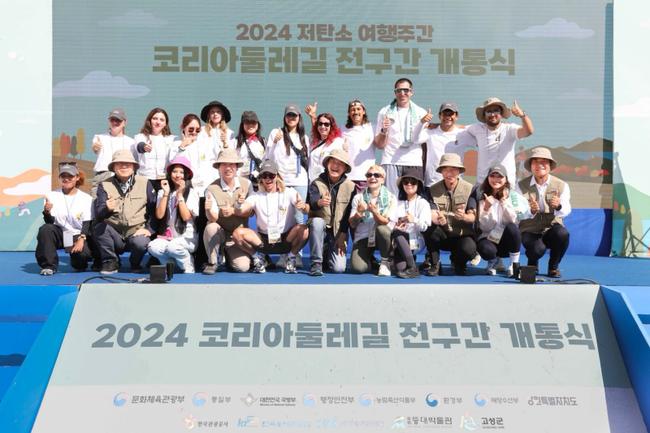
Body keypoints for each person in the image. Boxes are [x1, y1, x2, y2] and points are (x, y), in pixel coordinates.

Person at [232, 160, 309, 274]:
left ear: (277, 176)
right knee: (237, 234)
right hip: (263, 240)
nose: (268, 179)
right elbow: (241, 210)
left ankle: (291, 257)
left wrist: (303, 207)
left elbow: (306, 209)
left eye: (271, 175)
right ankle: (257, 258)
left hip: (286, 239)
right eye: (264, 175)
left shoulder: (289, 192)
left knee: (304, 230)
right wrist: (239, 203)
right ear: (261, 178)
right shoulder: (256, 195)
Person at [94, 150, 156, 274]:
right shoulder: (104, 185)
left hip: (136, 231)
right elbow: (99, 214)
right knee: (99, 227)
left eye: (128, 164)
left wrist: (148, 229)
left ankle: (135, 263)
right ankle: (111, 261)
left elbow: (153, 210)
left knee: (141, 242)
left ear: (133, 167)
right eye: (119, 164)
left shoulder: (145, 183)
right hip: (114, 232)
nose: (124, 166)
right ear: (113, 167)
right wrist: (107, 209)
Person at [518, 147, 571, 278]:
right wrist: (530, 211)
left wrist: (558, 206)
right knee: (537, 250)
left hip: (551, 228)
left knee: (562, 234)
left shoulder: (562, 185)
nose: (539, 165)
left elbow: (566, 209)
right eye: (535, 161)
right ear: (530, 166)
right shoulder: (519, 185)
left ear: (550, 165)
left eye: (544, 162)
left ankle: (553, 267)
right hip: (530, 229)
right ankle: (532, 264)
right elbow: (517, 212)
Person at [423, 153, 477, 276]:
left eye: (453, 169)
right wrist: (438, 219)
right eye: (446, 170)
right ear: (441, 172)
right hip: (443, 234)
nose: (449, 173)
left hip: (462, 235)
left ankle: (458, 262)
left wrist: (464, 217)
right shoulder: (432, 190)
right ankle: (435, 263)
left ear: (459, 171)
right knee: (429, 228)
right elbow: (432, 212)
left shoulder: (470, 189)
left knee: (469, 249)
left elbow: (473, 216)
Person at [36, 162, 94, 275]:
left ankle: (78, 261)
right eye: (63, 176)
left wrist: (82, 239)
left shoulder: (86, 198)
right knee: (46, 229)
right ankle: (49, 266)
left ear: (77, 178)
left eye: (70, 176)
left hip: (77, 235)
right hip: (60, 234)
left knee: (81, 259)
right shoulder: (51, 196)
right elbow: (50, 222)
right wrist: (47, 212)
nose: (66, 179)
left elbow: (87, 222)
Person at [460, 97, 534, 184]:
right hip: (483, 185)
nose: (492, 114)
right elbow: (458, 128)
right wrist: (445, 123)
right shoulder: (477, 128)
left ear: (501, 113)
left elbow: (528, 131)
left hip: (506, 184)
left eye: (496, 111)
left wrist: (522, 115)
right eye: (489, 111)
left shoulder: (509, 129)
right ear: (484, 115)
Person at [373, 77, 427, 196]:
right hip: (390, 161)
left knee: (413, 199)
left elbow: (422, 140)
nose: (402, 93)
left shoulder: (421, 113)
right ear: (395, 92)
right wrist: (384, 131)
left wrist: (422, 124)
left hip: (413, 161)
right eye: (399, 90)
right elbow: (379, 145)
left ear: (411, 92)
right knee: (390, 198)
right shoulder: (384, 112)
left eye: (406, 90)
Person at [203, 148, 253, 274]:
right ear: (219, 168)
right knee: (211, 227)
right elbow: (213, 218)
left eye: (231, 164)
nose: (228, 168)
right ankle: (212, 261)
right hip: (219, 233)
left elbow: (251, 211)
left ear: (236, 167)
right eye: (224, 164)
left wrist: (235, 210)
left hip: (238, 236)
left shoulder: (247, 184)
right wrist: (208, 210)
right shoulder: (211, 188)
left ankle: (228, 256)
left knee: (242, 267)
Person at [475, 164, 530, 277]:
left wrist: (504, 202)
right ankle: (493, 261)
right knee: (486, 249)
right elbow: (484, 227)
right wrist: (486, 208)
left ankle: (514, 264)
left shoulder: (512, 196)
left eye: (500, 176)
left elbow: (513, 221)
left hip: (506, 240)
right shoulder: (482, 196)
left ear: (505, 179)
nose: (496, 179)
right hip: (489, 237)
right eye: (492, 176)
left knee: (512, 228)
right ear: (488, 178)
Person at [307, 148, 356, 276]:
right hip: (321, 229)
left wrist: (343, 233)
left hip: (338, 232)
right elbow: (311, 203)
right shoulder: (316, 183)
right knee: (317, 222)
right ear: (327, 164)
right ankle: (316, 263)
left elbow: (349, 213)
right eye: (333, 162)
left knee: (338, 268)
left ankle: (326, 252)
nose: (335, 166)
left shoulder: (351, 186)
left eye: (340, 164)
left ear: (345, 168)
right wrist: (319, 202)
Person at [147, 156, 199, 273]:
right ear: (170, 173)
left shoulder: (192, 192)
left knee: (173, 247)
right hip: (167, 236)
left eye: (181, 172)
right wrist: (166, 193)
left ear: (186, 175)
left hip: (186, 237)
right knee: (153, 247)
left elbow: (186, 217)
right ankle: (170, 264)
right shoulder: (162, 191)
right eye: (175, 171)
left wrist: (180, 195)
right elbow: (159, 215)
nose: (178, 175)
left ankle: (188, 263)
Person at [349, 165, 397, 276]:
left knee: (382, 229)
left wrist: (375, 212)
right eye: (369, 175)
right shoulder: (358, 198)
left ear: (383, 179)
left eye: (376, 175)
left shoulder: (391, 198)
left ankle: (385, 262)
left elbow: (385, 222)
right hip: (364, 237)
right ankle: (371, 261)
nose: (372, 177)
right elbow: (352, 224)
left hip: (383, 238)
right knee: (357, 268)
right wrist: (359, 213)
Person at [265, 104, 310, 220]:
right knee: (279, 216)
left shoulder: (304, 138)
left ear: (299, 117)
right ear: (284, 117)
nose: (291, 118)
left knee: (298, 217)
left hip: (299, 182)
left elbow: (308, 161)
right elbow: (268, 158)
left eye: (294, 115)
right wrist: (275, 142)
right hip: (281, 181)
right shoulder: (276, 132)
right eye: (289, 115)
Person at [413, 102, 469, 187]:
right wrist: (422, 122)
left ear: (456, 116)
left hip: (456, 184)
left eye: (451, 114)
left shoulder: (463, 133)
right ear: (440, 116)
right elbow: (415, 140)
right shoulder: (430, 131)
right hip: (433, 183)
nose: (448, 117)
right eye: (445, 114)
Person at [390, 167, 431, 278]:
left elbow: (425, 227)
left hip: (416, 240)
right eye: (405, 182)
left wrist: (414, 220)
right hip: (399, 240)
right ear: (402, 185)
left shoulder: (423, 203)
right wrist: (396, 225)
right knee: (400, 268)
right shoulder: (397, 202)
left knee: (398, 234)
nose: (409, 184)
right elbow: (390, 221)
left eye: (413, 182)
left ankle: (413, 268)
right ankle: (408, 261)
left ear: (418, 185)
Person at [90, 108, 136, 198]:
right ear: (109, 121)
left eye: (118, 120)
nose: (115, 122)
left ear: (124, 122)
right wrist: (95, 147)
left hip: (123, 176)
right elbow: (95, 147)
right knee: (97, 203)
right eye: (112, 120)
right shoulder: (99, 137)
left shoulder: (131, 142)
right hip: (103, 175)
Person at [134, 107, 176, 190]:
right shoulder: (140, 137)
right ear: (149, 120)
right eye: (155, 118)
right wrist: (144, 147)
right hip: (144, 179)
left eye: (162, 120)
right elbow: (139, 146)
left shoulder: (171, 139)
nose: (158, 122)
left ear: (165, 123)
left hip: (163, 179)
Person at [341, 99, 376, 193]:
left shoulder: (372, 127)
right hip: (347, 177)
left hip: (366, 177)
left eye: (358, 109)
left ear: (363, 111)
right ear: (349, 113)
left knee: (364, 202)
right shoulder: (342, 129)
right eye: (352, 110)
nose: (355, 112)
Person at [308, 113, 346, 182]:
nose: (323, 126)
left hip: (328, 182)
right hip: (313, 181)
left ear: (331, 126)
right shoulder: (313, 142)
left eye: (326, 124)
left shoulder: (338, 142)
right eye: (320, 124)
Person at [234, 111, 266, 186]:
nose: (251, 125)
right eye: (247, 123)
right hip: (242, 181)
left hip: (259, 181)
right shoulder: (236, 142)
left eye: (253, 122)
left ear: (258, 124)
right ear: (242, 125)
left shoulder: (263, 141)